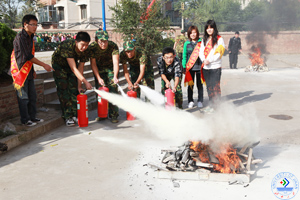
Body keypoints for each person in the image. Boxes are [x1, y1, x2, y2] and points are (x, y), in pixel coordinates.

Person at [11, 14, 54, 126]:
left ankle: (33, 117)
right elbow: (27, 56)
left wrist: (33, 70)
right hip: (21, 72)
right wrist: (44, 65)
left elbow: (30, 56)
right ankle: (25, 120)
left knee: (32, 96)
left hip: (29, 71)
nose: (35, 27)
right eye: (32, 24)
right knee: (23, 98)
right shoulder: (20, 37)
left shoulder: (30, 37)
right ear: (25, 25)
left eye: (36, 25)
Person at [52, 31, 93, 126]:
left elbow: (80, 67)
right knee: (64, 89)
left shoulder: (86, 51)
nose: (84, 47)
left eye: (87, 45)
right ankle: (67, 116)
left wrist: (80, 85)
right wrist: (86, 82)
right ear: (76, 42)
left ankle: (75, 114)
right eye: (82, 45)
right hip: (59, 66)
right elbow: (73, 68)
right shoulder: (68, 45)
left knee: (74, 89)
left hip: (72, 66)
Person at [87, 30, 120, 123]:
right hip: (99, 69)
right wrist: (98, 78)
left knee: (113, 89)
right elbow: (93, 64)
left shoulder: (113, 46)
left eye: (105, 41)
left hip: (111, 69)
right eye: (101, 42)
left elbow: (116, 62)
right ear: (97, 41)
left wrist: (115, 76)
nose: (104, 44)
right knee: (101, 92)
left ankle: (114, 115)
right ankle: (102, 114)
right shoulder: (92, 47)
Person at [199, 19, 225, 113]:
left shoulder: (219, 39)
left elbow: (219, 54)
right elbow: (201, 52)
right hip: (206, 67)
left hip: (215, 67)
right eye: (207, 28)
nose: (209, 30)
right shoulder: (204, 40)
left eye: (211, 28)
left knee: (215, 87)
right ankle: (211, 105)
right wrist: (204, 60)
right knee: (209, 87)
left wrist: (209, 60)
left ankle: (217, 106)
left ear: (214, 28)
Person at [182, 25, 204, 108]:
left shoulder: (201, 42)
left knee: (200, 85)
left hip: (199, 67)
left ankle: (200, 101)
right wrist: (184, 67)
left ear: (197, 33)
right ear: (189, 34)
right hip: (190, 68)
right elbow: (184, 56)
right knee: (190, 85)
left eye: (194, 32)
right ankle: (190, 101)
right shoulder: (186, 43)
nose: (193, 34)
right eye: (191, 33)